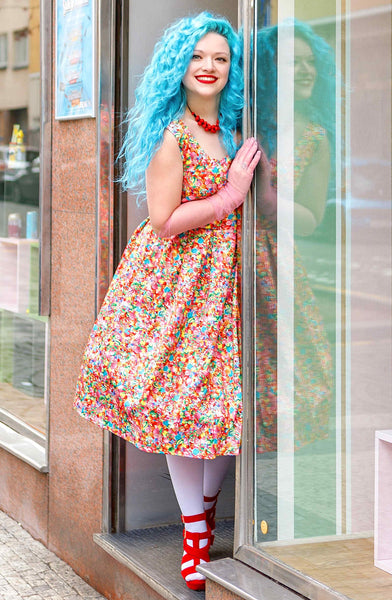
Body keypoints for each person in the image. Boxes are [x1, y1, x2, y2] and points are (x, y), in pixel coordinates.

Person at [74, 12, 260, 592]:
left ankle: (204, 512)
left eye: (220, 59)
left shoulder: (234, 129)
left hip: (229, 285)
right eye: (198, 57)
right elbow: (163, 220)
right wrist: (232, 193)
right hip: (177, 289)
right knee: (182, 410)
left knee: (229, 408)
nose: (209, 68)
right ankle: (196, 530)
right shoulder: (172, 134)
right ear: (178, 67)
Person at [254, 21, 335, 453]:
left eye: (311, 63)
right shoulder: (243, 119)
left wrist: (268, 202)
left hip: (271, 267)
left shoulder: (314, 137)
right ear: (268, 71)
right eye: (293, 62)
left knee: (279, 381)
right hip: (213, 262)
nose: (306, 71)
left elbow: (312, 217)